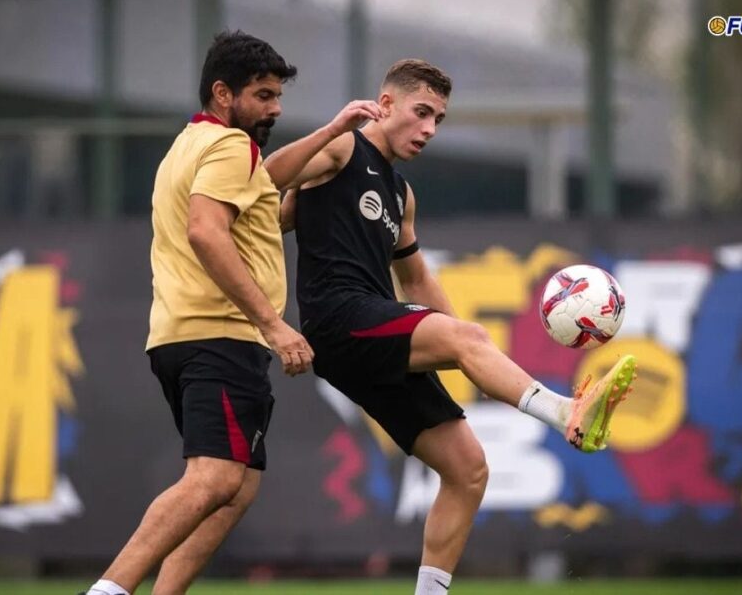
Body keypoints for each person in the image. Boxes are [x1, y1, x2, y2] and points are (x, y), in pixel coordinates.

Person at [264, 59, 638, 595]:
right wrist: (331, 128)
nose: (429, 130)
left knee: (468, 472)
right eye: (421, 113)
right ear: (385, 104)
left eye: (438, 119)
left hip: (373, 335)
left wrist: (467, 348)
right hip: (338, 322)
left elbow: (415, 279)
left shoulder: (401, 193)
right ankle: (565, 413)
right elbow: (265, 178)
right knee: (468, 340)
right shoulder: (343, 149)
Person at [83, 31, 311, 595]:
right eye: (262, 94)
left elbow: (260, 199)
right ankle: (109, 590)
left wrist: (330, 135)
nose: (275, 108)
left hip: (180, 337)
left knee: (239, 483)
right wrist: (272, 323)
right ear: (222, 93)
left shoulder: (189, 144)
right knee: (214, 477)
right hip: (221, 335)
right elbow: (207, 232)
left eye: (278, 95)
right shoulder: (232, 147)